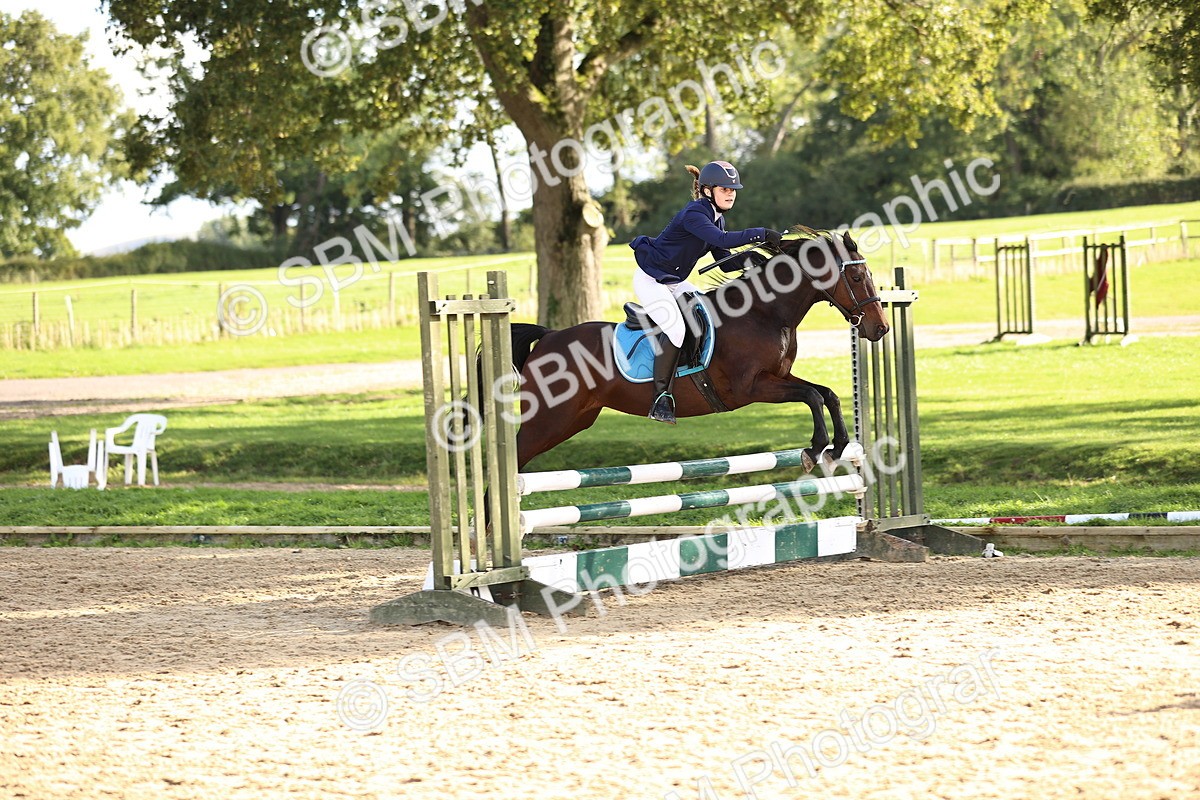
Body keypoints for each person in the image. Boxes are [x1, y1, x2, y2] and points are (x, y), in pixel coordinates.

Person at [628, 160, 783, 424]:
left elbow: (725, 260)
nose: (731, 193)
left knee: (707, 311)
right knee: (676, 330)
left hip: (673, 281)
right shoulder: (695, 214)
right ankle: (660, 398)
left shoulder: (716, 219)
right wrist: (760, 234)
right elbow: (722, 241)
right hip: (651, 280)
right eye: (725, 189)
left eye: (733, 189)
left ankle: (691, 371)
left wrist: (756, 261)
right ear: (708, 190)